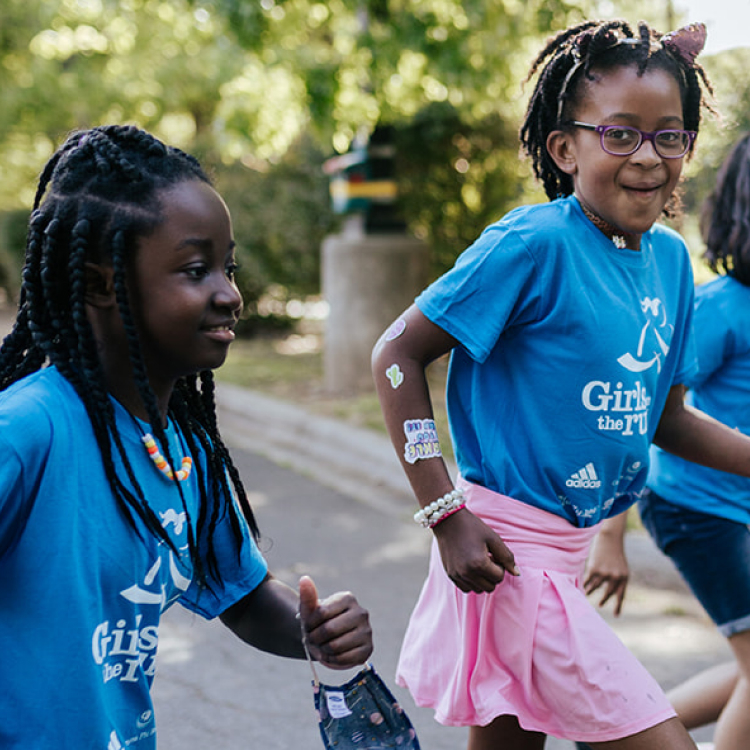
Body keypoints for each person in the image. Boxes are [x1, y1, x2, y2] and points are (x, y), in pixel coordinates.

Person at [371, 17, 745, 750]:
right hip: (508, 558)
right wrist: (444, 512)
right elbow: (395, 355)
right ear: (564, 147)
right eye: (620, 133)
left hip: (563, 562)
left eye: (670, 135)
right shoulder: (531, 243)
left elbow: (665, 421)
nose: (648, 156)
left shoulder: (671, 264)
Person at [0, 125, 372, 749]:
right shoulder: (28, 429)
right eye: (196, 270)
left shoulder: (184, 451)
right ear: (99, 283)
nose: (229, 294)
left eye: (227, 268)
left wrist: (311, 629)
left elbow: (244, 594)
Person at [584, 133, 750, 750]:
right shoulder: (721, 310)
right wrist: (610, 538)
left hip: (737, 508)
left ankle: (624, 741)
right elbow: (644, 415)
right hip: (697, 509)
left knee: (749, 661)